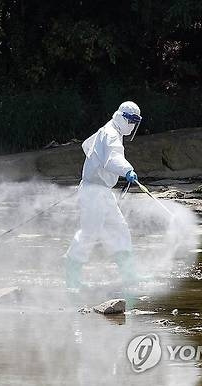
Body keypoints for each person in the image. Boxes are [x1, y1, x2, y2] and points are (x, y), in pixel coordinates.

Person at [64, 101, 142, 291]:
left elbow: (87, 145)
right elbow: (113, 158)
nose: (132, 125)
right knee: (89, 233)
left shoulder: (108, 130)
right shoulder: (111, 134)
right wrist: (128, 170)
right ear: (122, 117)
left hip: (101, 191)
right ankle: (72, 274)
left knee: (119, 227)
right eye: (131, 121)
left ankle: (128, 273)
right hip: (94, 192)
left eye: (135, 122)